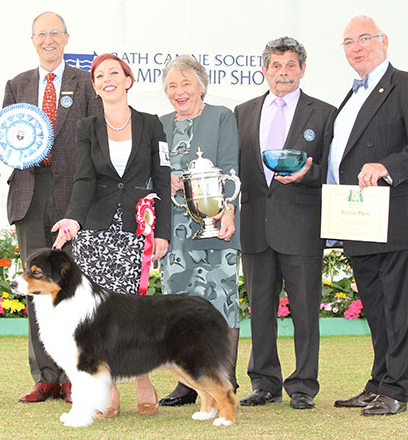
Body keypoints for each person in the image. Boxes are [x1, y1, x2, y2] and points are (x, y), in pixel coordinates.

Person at [52, 53, 170, 417]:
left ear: (128, 79)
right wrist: (72, 219)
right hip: (96, 230)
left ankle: (143, 378)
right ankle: (110, 388)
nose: (107, 79)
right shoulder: (86, 127)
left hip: (137, 228)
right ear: (95, 85)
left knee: (133, 310)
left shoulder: (152, 125)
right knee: (101, 315)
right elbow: (84, 179)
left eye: (114, 73)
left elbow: (162, 178)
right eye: (99, 75)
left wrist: (162, 231)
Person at [3, 11, 102, 403]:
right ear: (33, 41)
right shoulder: (17, 85)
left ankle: (72, 374)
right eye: (41, 34)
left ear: (66, 39)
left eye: (55, 33)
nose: (48, 39)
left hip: (71, 198)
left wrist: (83, 201)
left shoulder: (85, 83)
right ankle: (44, 376)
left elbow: (95, 140)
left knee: (71, 290)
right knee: (34, 287)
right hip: (29, 194)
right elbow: (6, 137)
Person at [234, 37, 335, 410]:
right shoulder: (242, 111)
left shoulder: (324, 113)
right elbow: (236, 169)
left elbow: (333, 172)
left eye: (291, 65)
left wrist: (309, 173)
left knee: (305, 311)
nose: (283, 73)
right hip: (256, 227)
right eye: (276, 66)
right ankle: (264, 381)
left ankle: (304, 384)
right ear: (264, 70)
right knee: (260, 310)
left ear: (302, 69)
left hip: (302, 226)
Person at [328, 16, 408, 417]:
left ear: (384, 41)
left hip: (394, 219)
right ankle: (380, 381)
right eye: (348, 42)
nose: (356, 47)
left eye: (364, 39)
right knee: (376, 308)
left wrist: (387, 166)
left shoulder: (404, 85)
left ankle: (398, 388)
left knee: (398, 307)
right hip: (358, 221)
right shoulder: (349, 96)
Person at [158, 54, 241, 407]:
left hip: (214, 223)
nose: (179, 91)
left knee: (220, 302)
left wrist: (229, 210)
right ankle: (187, 383)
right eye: (172, 86)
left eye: (186, 83)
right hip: (173, 232)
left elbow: (231, 167)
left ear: (201, 86)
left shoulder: (222, 117)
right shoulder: (158, 124)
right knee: (177, 308)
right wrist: (165, 178)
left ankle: (224, 378)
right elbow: (151, 173)